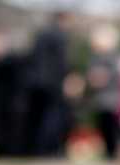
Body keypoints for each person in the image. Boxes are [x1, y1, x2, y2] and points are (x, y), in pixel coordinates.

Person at [25, 12, 74, 156]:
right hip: (54, 83)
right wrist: (67, 78)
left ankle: (38, 148)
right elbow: (62, 61)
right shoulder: (60, 36)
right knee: (54, 116)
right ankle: (51, 149)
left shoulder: (41, 34)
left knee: (40, 116)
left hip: (37, 83)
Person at [87, 25, 120, 160]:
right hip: (102, 98)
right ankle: (110, 152)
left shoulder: (113, 57)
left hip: (112, 98)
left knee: (112, 127)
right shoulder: (97, 57)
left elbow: (107, 76)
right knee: (104, 126)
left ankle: (114, 152)